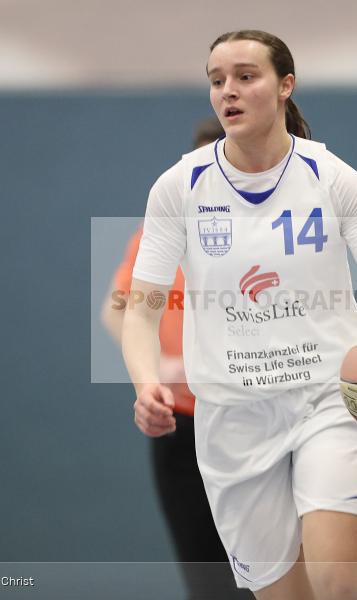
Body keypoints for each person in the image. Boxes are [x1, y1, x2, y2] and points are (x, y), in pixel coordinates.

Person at [122, 30, 357, 600]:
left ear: (285, 86)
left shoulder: (333, 178)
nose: (227, 91)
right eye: (216, 80)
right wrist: (144, 384)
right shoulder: (178, 188)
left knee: (340, 583)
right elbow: (139, 313)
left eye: (245, 76)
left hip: (328, 401)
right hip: (232, 419)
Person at [102, 117, 252, 599]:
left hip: (260, 420)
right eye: (204, 168)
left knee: (273, 578)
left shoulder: (274, 234)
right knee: (208, 581)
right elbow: (117, 310)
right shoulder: (161, 232)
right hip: (182, 425)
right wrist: (153, 375)